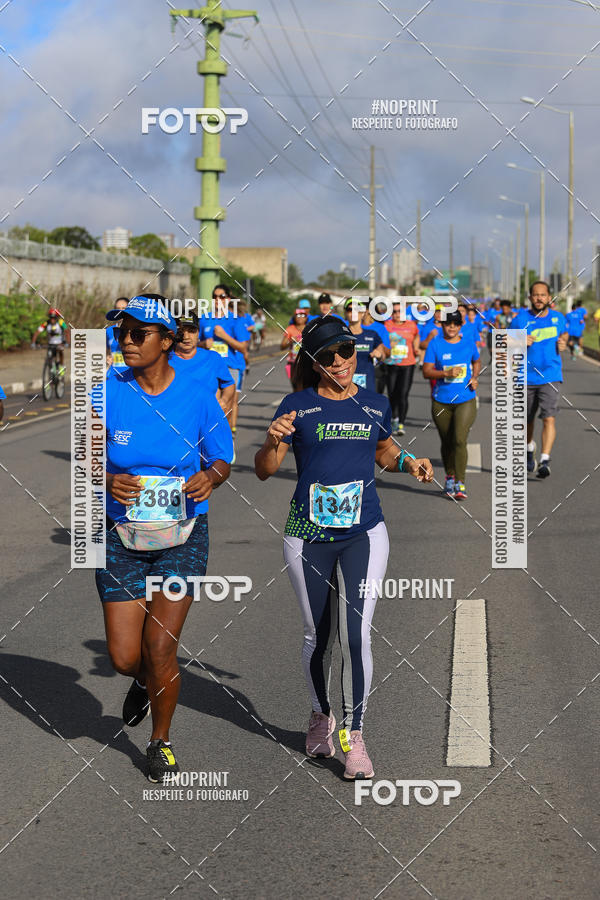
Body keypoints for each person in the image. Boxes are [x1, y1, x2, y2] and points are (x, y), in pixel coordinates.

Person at [254, 316, 433, 780]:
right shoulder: (297, 405)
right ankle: (320, 716)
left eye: (346, 352)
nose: (339, 362)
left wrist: (411, 463)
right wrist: (273, 441)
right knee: (319, 636)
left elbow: (384, 452)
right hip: (307, 534)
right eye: (328, 356)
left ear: (356, 353)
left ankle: (354, 736)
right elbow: (263, 470)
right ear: (314, 363)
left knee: (357, 635)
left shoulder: (374, 403)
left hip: (364, 533)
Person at [95, 295, 233, 784]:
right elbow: (83, 461)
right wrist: (104, 478)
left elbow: (222, 458)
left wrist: (209, 478)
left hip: (183, 534)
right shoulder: (105, 390)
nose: (126, 341)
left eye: (139, 333)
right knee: (124, 657)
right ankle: (143, 682)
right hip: (117, 534)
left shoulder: (197, 394)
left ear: (167, 341)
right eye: (121, 332)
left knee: (160, 647)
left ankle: (160, 742)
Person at [508, 281, 568, 479]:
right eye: (535, 295)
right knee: (527, 420)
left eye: (543, 295)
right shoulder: (520, 320)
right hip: (525, 376)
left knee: (549, 417)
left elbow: (564, 334)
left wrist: (563, 342)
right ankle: (529, 448)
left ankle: (545, 459)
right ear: (530, 298)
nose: (539, 298)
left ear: (549, 297)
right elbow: (502, 341)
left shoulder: (558, 319)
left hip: (551, 374)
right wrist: (519, 341)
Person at [423, 310, 480, 500]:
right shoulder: (435, 344)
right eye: (448, 324)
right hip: (441, 402)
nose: (452, 327)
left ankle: (460, 482)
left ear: (460, 325)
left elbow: (477, 360)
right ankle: (449, 475)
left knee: (459, 440)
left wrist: (474, 377)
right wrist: (446, 374)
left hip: (465, 399)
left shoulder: (468, 343)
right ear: (442, 325)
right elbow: (427, 372)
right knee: (447, 441)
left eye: (456, 324)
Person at [200, 284, 250, 437]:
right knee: (215, 406)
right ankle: (215, 440)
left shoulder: (236, 320)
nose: (217, 300)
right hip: (211, 367)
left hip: (231, 367)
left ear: (228, 299)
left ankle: (228, 436)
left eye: (221, 296)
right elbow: (193, 344)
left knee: (228, 405)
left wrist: (224, 336)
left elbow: (243, 347)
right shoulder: (205, 319)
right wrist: (203, 344)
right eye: (214, 297)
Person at [173, 312, 236, 415]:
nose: (186, 336)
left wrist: (224, 400)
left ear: (198, 332)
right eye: (181, 331)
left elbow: (229, 384)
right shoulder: (164, 360)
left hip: (207, 421)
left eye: (191, 331)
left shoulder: (213, 358)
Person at [383, 301, 420, 434]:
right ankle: (394, 418)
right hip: (391, 364)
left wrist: (416, 347)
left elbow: (416, 336)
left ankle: (401, 424)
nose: (397, 314)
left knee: (403, 394)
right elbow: (381, 340)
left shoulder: (411, 325)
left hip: (407, 364)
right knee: (392, 394)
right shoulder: (387, 325)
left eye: (400, 311)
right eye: (395, 312)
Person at [343, 297, 389, 391]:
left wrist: (379, 355)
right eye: (349, 309)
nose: (353, 312)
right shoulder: (340, 335)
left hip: (367, 383)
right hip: (345, 383)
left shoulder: (372, 335)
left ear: (363, 313)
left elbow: (383, 356)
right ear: (346, 313)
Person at [33, 308, 67, 374]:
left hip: (60, 342)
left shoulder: (61, 322)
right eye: (51, 318)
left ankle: (61, 366)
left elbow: (67, 331)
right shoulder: (46, 323)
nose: (52, 320)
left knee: (60, 351)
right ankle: (52, 370)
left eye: (54, 318)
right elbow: (37, 332)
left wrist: (67, 342)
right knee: (51, 355)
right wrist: (33, 343)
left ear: (57, 318)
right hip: (51, 343)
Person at [281, 309, 308, 388]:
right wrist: (291, 341)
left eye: (302, 315)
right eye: (298, 315)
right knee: (295, 386)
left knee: (305, 386)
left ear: (306, 318)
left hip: (306, 362)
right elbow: (282, 346)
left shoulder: (309, 328)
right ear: (294, 317)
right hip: (293, 362)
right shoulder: (290, 329)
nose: (300, 318)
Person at [106, 297, 130, 372]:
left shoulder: (136, 330)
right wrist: (106, 357)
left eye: (124, 308)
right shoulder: (108, 331)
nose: (120, 311)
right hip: (113, 374)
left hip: (132, 374)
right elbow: (104, 351)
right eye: (118, 308)